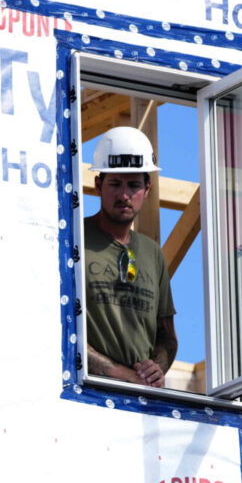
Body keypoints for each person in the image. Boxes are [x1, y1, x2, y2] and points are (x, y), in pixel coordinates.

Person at [82, 126, 177, 388]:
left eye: (133, 185)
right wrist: (122, 375)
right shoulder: (74, 241)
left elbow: (167, 337)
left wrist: (157, 367)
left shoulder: (152, 254)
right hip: (90, 394)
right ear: (98, 184)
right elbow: (61, 330)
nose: (124, 195)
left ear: (147, 188)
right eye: (115, 183)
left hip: (142, 400)